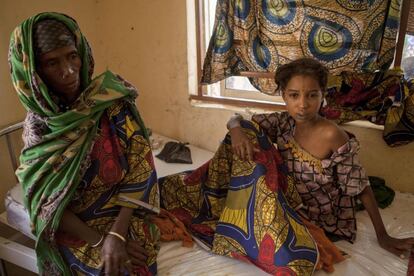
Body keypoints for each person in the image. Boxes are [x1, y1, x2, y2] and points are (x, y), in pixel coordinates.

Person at [9, 12, 160, 275]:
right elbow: (46, 203)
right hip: (76, 226)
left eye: (72, 55)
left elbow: (140, 166)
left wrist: (117, 235)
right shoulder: (38, 130)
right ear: (34, 73)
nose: (68, 71)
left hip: (122, 214)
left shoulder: (111, 102)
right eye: (51, 62)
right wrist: (100, 241)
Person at [227, 58, 414, 258]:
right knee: (243, 134)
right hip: (288, 201)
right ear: (284, 96)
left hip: (319, 213)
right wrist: (236, 130)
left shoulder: (332, 135)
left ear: (322, 95)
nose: (303, 104)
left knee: (277, 249)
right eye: (294, 95)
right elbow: (236, 119)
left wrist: (383, 235)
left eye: (312, 95)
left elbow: (360, 185)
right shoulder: (283, 122)